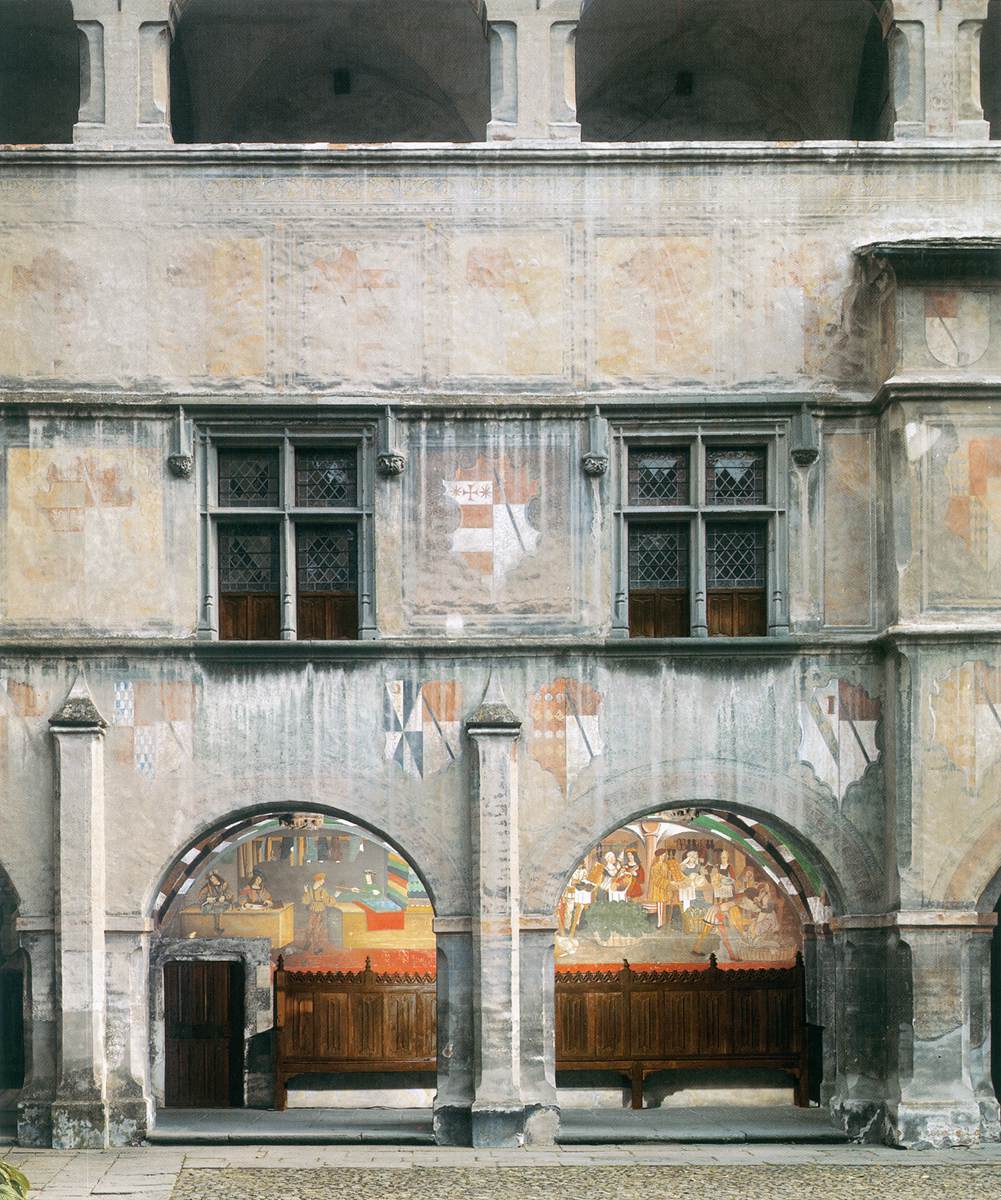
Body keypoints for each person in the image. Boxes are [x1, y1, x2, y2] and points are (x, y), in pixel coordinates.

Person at [648, 847, 685, 929]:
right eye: (662, 856)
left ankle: (663, 922)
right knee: (660, 906)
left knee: (664, 906)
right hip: (658, 889)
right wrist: (669, 882)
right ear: (658, 856)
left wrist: (672, 879)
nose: (663, 857)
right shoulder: (655, 866)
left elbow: (668, 875)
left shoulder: (665, 865)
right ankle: (660, 923)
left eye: (664, 855)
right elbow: (656, 879)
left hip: (665, 888)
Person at [302, 872, 337, 954]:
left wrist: (306, 891)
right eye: (322, 880)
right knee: (315, 929)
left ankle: (308, 944)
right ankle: (315, 948)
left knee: (310, 927)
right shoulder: (322, 891)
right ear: (318, 880)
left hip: (312, 911)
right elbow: (328, 902)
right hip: (319, 912)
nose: (323, 881)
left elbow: (306, 901)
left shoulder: (310, 889)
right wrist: (335, 896)